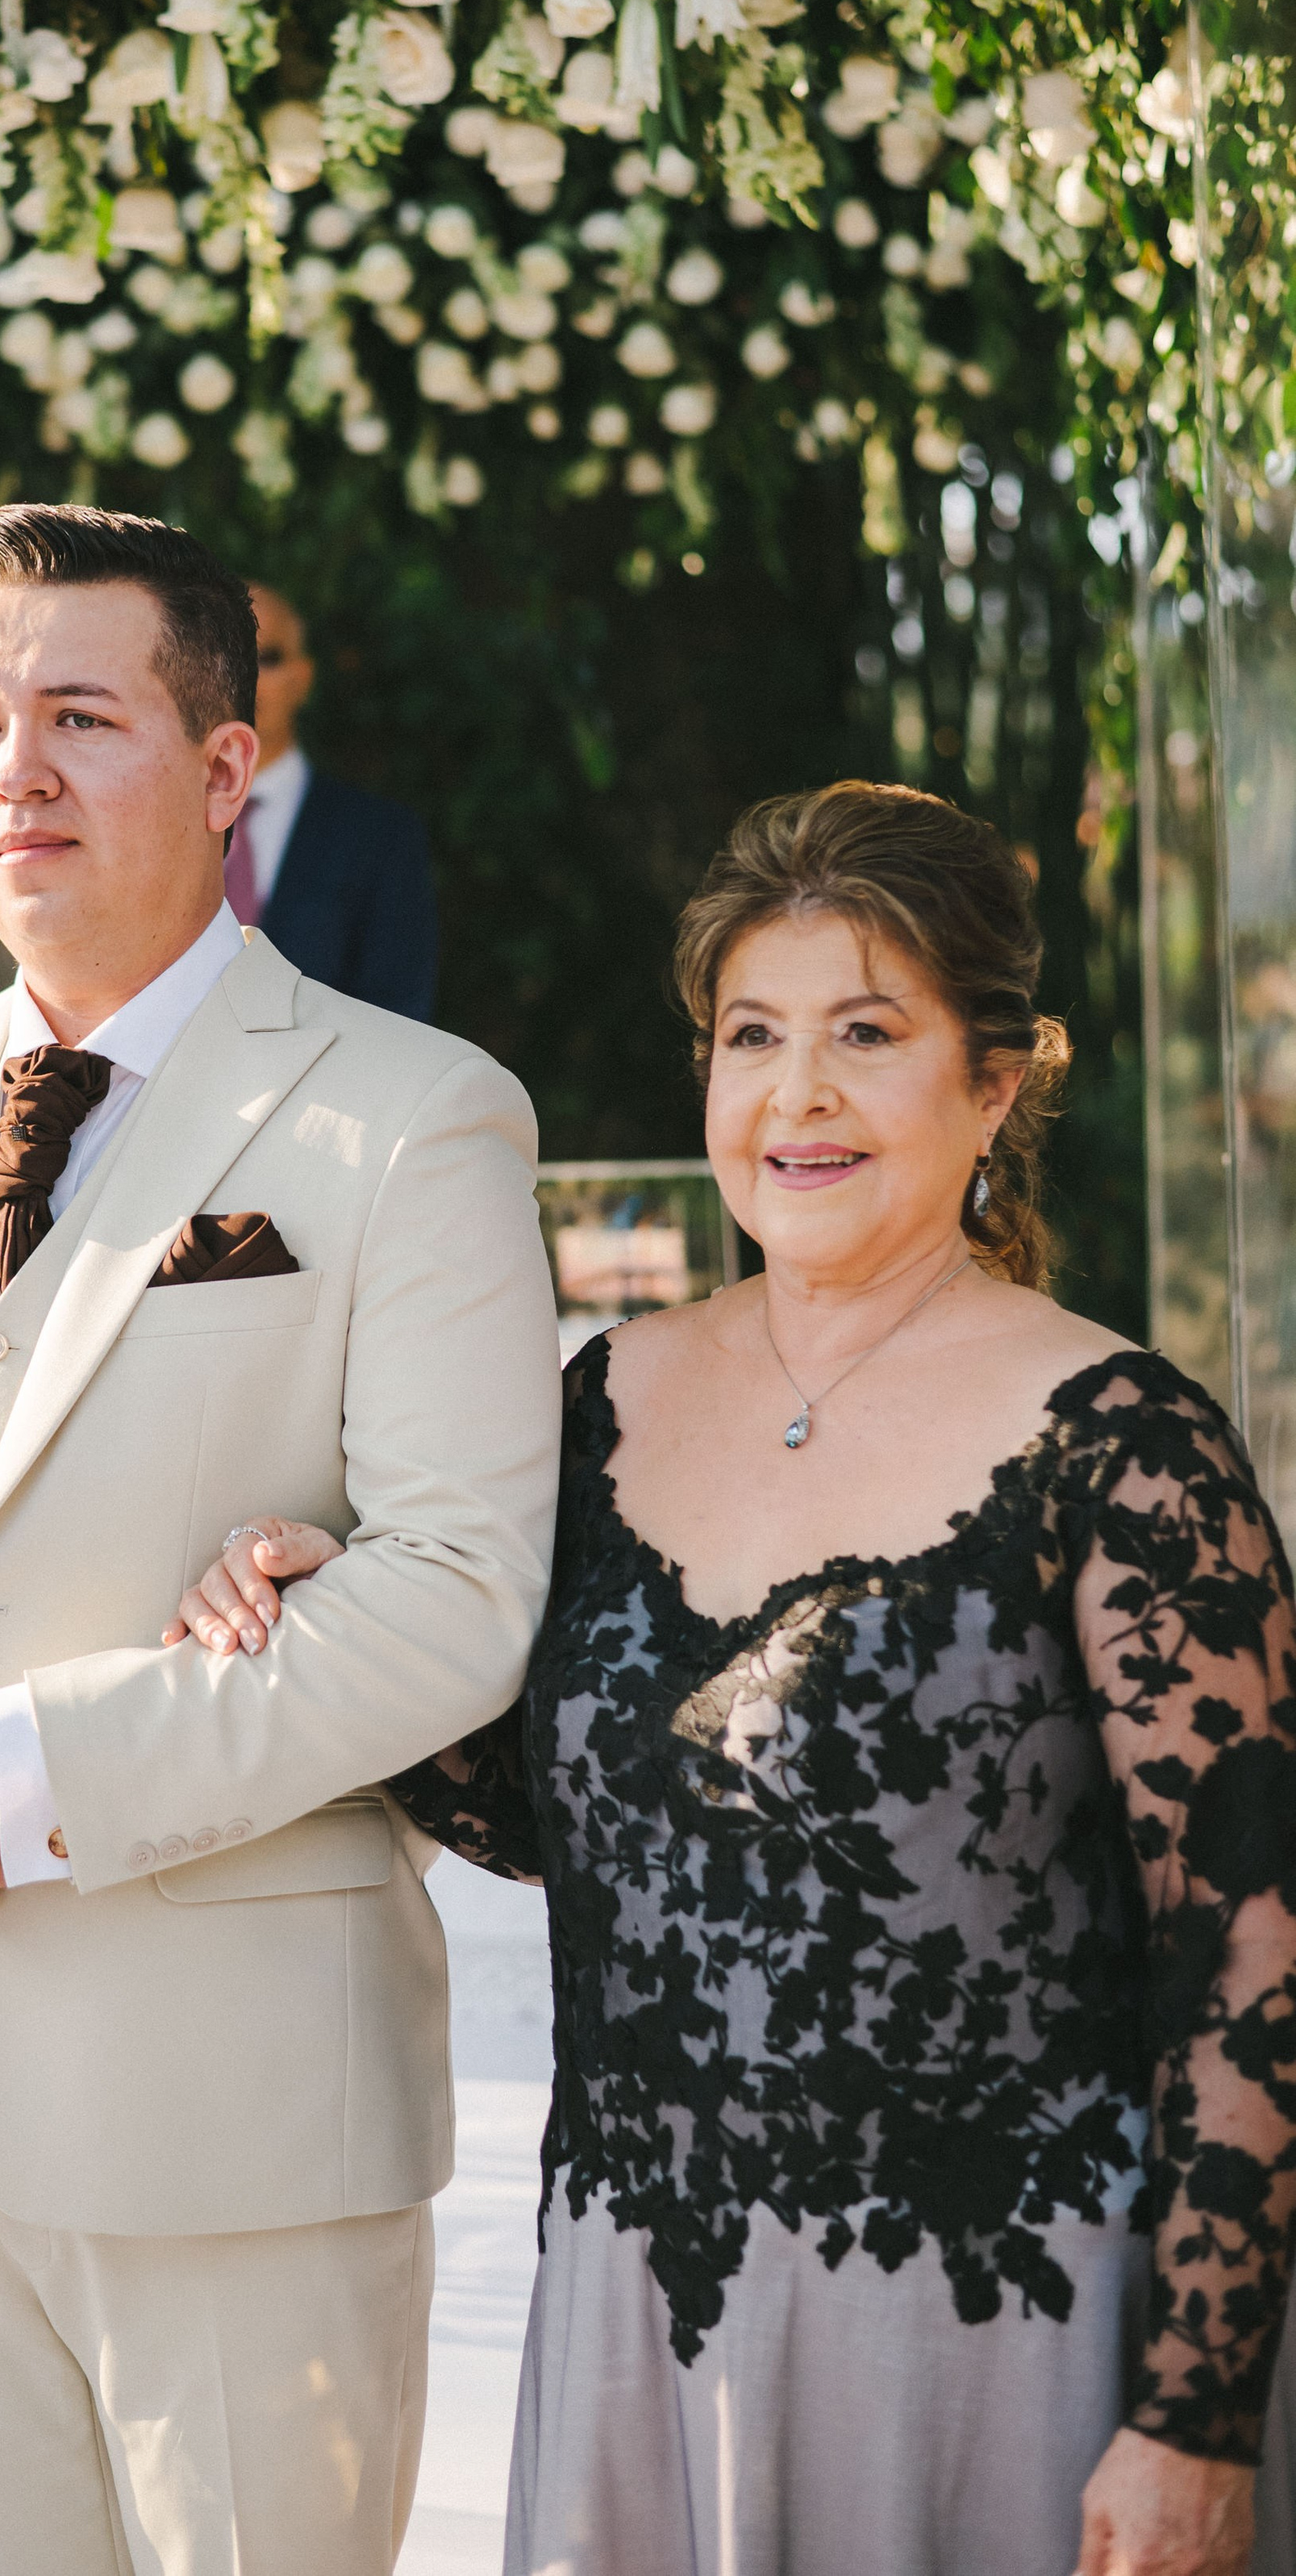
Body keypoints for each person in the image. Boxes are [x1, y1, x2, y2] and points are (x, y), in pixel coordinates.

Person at [171, 782, 1296, 2576]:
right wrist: (334, 1614)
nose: (798, 1094)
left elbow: (1246, 1960)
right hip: (640, 2319)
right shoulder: (598, 1401)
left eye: (867, 1033)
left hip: (991, 2338)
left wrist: (1190, 2419)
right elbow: (578, 1821)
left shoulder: (1125, 1448)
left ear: (992, 1080)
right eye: (749, 1035)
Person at [0, 503, 562, 2576]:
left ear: (226, 766)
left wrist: (26, 1770)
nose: (14, 772)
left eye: (80, 715)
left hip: (240, 2125)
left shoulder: (413, 1116)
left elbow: (454, 1597)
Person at [226, 581, 440, 1021]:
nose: (245, 676)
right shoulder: (148, 823)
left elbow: (398, 1015)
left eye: (267, 657)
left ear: (303, 678)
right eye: (225, 655)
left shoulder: (382, 837)